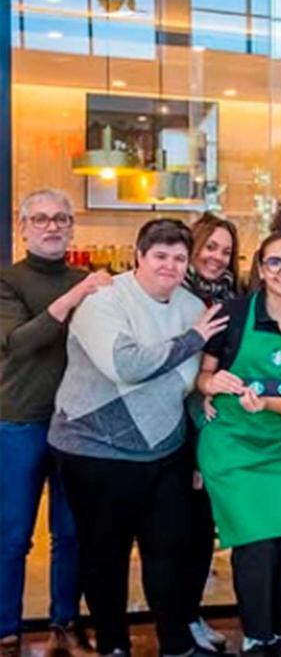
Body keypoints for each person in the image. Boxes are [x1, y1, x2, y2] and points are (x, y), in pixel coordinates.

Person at [49, 218, 227, 657]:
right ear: (139, 256)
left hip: (163, 451)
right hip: (96, 451)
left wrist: (202, 400)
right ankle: (114, 645)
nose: (170, 265)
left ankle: (175, 643)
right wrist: (192, 339)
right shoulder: (103, 301)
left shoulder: (190, 306)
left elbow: (192, 379)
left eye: (179, 257)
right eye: (160, 256)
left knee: (168, 550)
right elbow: (125, 364)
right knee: (104, 555)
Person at [195, 232, 281, 656]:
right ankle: (257, 636)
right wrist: (210, 382)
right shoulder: (232, 315)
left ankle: (277, 635)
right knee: (255, 543)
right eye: (275, 263)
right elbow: (203, 377)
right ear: (260, 268)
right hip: (232, 447)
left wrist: (268, 402)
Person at [0, 190, 98, 657]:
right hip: (20, 422)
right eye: (40, 218)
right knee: (14, 533)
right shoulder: (6, 279)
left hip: (77, 424)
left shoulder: (87, 280)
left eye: (61, 217)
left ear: (72, 226)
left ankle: (65, 624)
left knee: (71, 532)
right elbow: (20, 343)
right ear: (23, 228)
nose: (51, 225)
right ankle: (6, 628)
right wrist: (77, 297)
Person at [181, 212, 241, 655]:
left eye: (226, 251)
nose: (217, 257)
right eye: (211, 247)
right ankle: (179, 618)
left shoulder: (233, 300)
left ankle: (190, 614)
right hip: (172, 424)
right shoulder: (171, 293)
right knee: (176, 531)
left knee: (201, 528)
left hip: (209, 423)